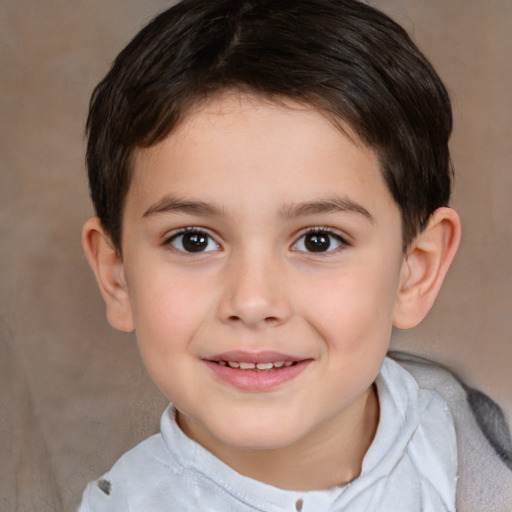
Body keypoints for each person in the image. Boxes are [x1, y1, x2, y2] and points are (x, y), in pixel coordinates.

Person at [78, 1, 510, 510]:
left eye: (318, 240)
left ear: (414, 271)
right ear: (117, 275)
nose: (254, 301)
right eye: (194, 240)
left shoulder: (473, 450)